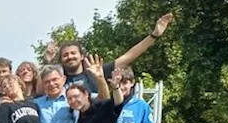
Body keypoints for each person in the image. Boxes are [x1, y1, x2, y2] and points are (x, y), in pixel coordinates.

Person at [45, 12, 174, 96]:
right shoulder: (58, 80)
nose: (70, 57)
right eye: (65, 55)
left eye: (73, 53)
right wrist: (48, 62)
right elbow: (38, 89)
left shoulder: (96, 72)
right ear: (61, 59)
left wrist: (153, 36)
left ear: (82, 56)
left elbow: (129, 56)